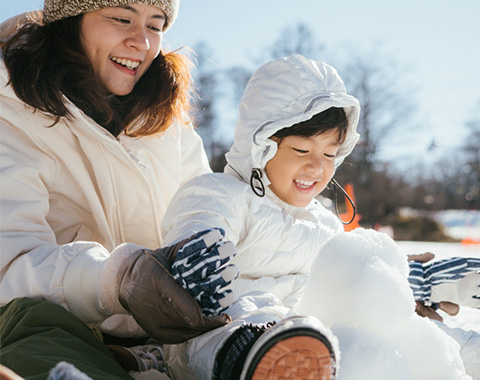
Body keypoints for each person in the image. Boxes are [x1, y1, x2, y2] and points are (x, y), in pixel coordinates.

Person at [160, 55, 479, 380]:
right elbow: (198, 234)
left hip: (316, 338)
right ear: (261, 146)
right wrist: (199, 252)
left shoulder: (325, 223)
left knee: (408, 340)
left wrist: (406, 282)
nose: (318, 167)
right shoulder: (221, 193)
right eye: (302, 150)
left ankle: (466, 354)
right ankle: (262, 359)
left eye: (329, 154)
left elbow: (349, 282)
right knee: (239, 328)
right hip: (224, 330)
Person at [0, 1, 237, 379]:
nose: (142, 41)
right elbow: (7, 267)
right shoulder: (9, 109)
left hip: (172, 336)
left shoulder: (165, 117)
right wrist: (115, 280)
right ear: (71, 20)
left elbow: (202, 206)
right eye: (122, 19)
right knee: (29, 323)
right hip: (62, 327)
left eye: (156, 25)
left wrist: (201, 260)